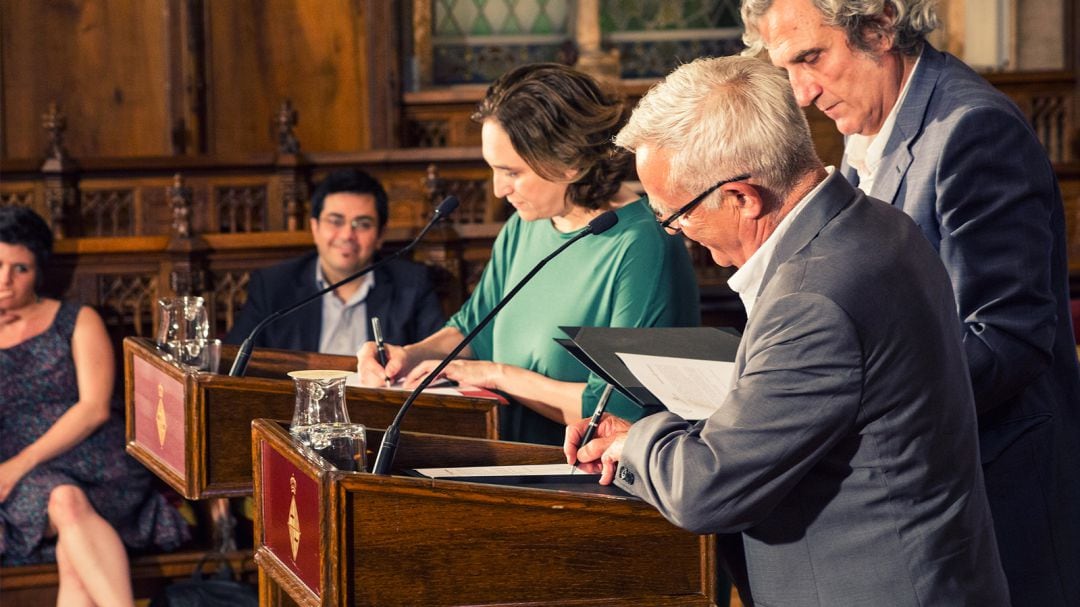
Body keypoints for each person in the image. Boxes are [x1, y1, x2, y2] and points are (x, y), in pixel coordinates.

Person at [565, 56, 1009, 606]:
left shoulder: (811, 298)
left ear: (744, 197)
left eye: (673, 215)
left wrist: (639, 438)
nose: (677, 234)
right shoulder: (874, 222)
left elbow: (708, 490)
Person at [740, 1, 1080, 604]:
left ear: (878, 26)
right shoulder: (872, 124)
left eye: (811, 58)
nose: (800, 93)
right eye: (785, 69)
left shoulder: (971, 129)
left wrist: (848, 407)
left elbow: (1009, 339)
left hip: (999, 492)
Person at [358, 63, 700, 445]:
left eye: (511, 172)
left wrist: (498, 375)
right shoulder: (525, 224)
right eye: (493, 169)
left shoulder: (643, 244)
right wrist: (411, 354)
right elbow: (474, 329)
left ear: (571, 161)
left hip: (581, 480)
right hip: (500, 455)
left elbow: (618, 412)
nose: (498, 190)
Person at [0, 206, 189, 605]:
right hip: (19, 478)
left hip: (96, 460)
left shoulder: (76, 319)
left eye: (20, 268)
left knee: (70, 519)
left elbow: (94, 408)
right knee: (66, 510)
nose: (5, 280)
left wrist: (18, 465)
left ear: (38, 272)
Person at [226, 168, 445, 354]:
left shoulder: (412, 285)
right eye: (335, 221)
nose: (347, 235)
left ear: (380, 235)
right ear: (315, 227)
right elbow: (234, 362)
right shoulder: (273, 286)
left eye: (362, 224)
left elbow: (437, 361)